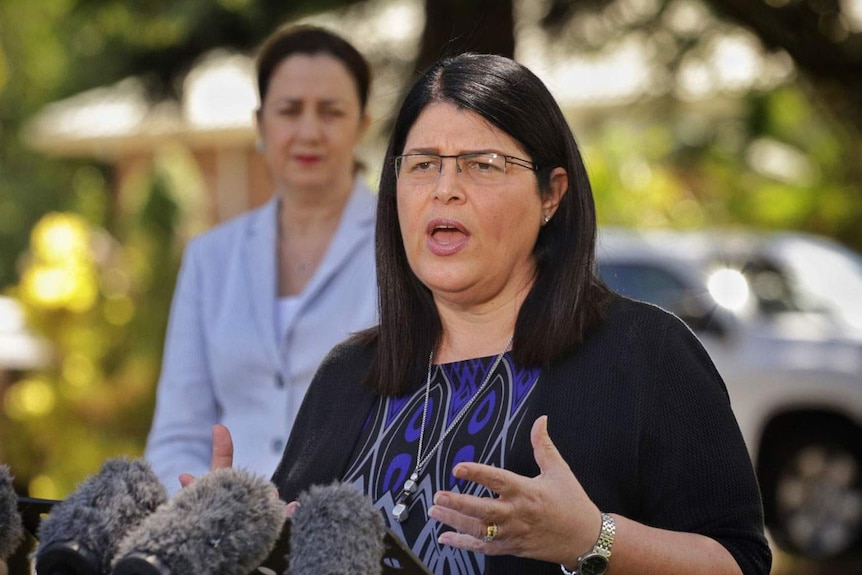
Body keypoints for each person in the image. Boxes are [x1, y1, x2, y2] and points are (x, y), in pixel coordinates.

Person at [212, 52, 773, 574]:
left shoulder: (644, 352)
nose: (445, 190)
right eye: (423, 164)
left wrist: (594, 539)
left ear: (551, 194)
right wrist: (242, 544)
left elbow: (739, 560)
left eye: (482, 164)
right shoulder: (348, 374)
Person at [144, 24, 378, 494]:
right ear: (260, 125)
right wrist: (201, 507)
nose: (309, 131)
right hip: (224, 540)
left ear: (362, 127)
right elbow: (175, 435)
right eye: (290, 110)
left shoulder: (406, 247)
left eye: (331, 111)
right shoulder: (209, 257)